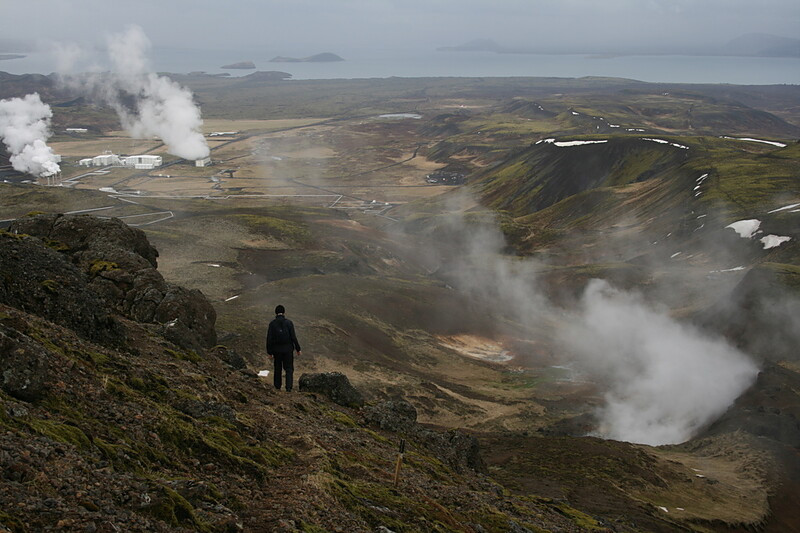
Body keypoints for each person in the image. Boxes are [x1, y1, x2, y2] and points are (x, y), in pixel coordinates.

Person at [266, 304, 301, 391]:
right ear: (284, 312)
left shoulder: (272, 324)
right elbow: (293, 337)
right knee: (289, 369)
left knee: (278, 369)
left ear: (276, 313)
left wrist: (269, 352)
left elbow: (269, 339)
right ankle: (288, 388)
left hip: (276, 351)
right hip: (288, 350)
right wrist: (298, 349)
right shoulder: (289, 323)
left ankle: (277, 387)